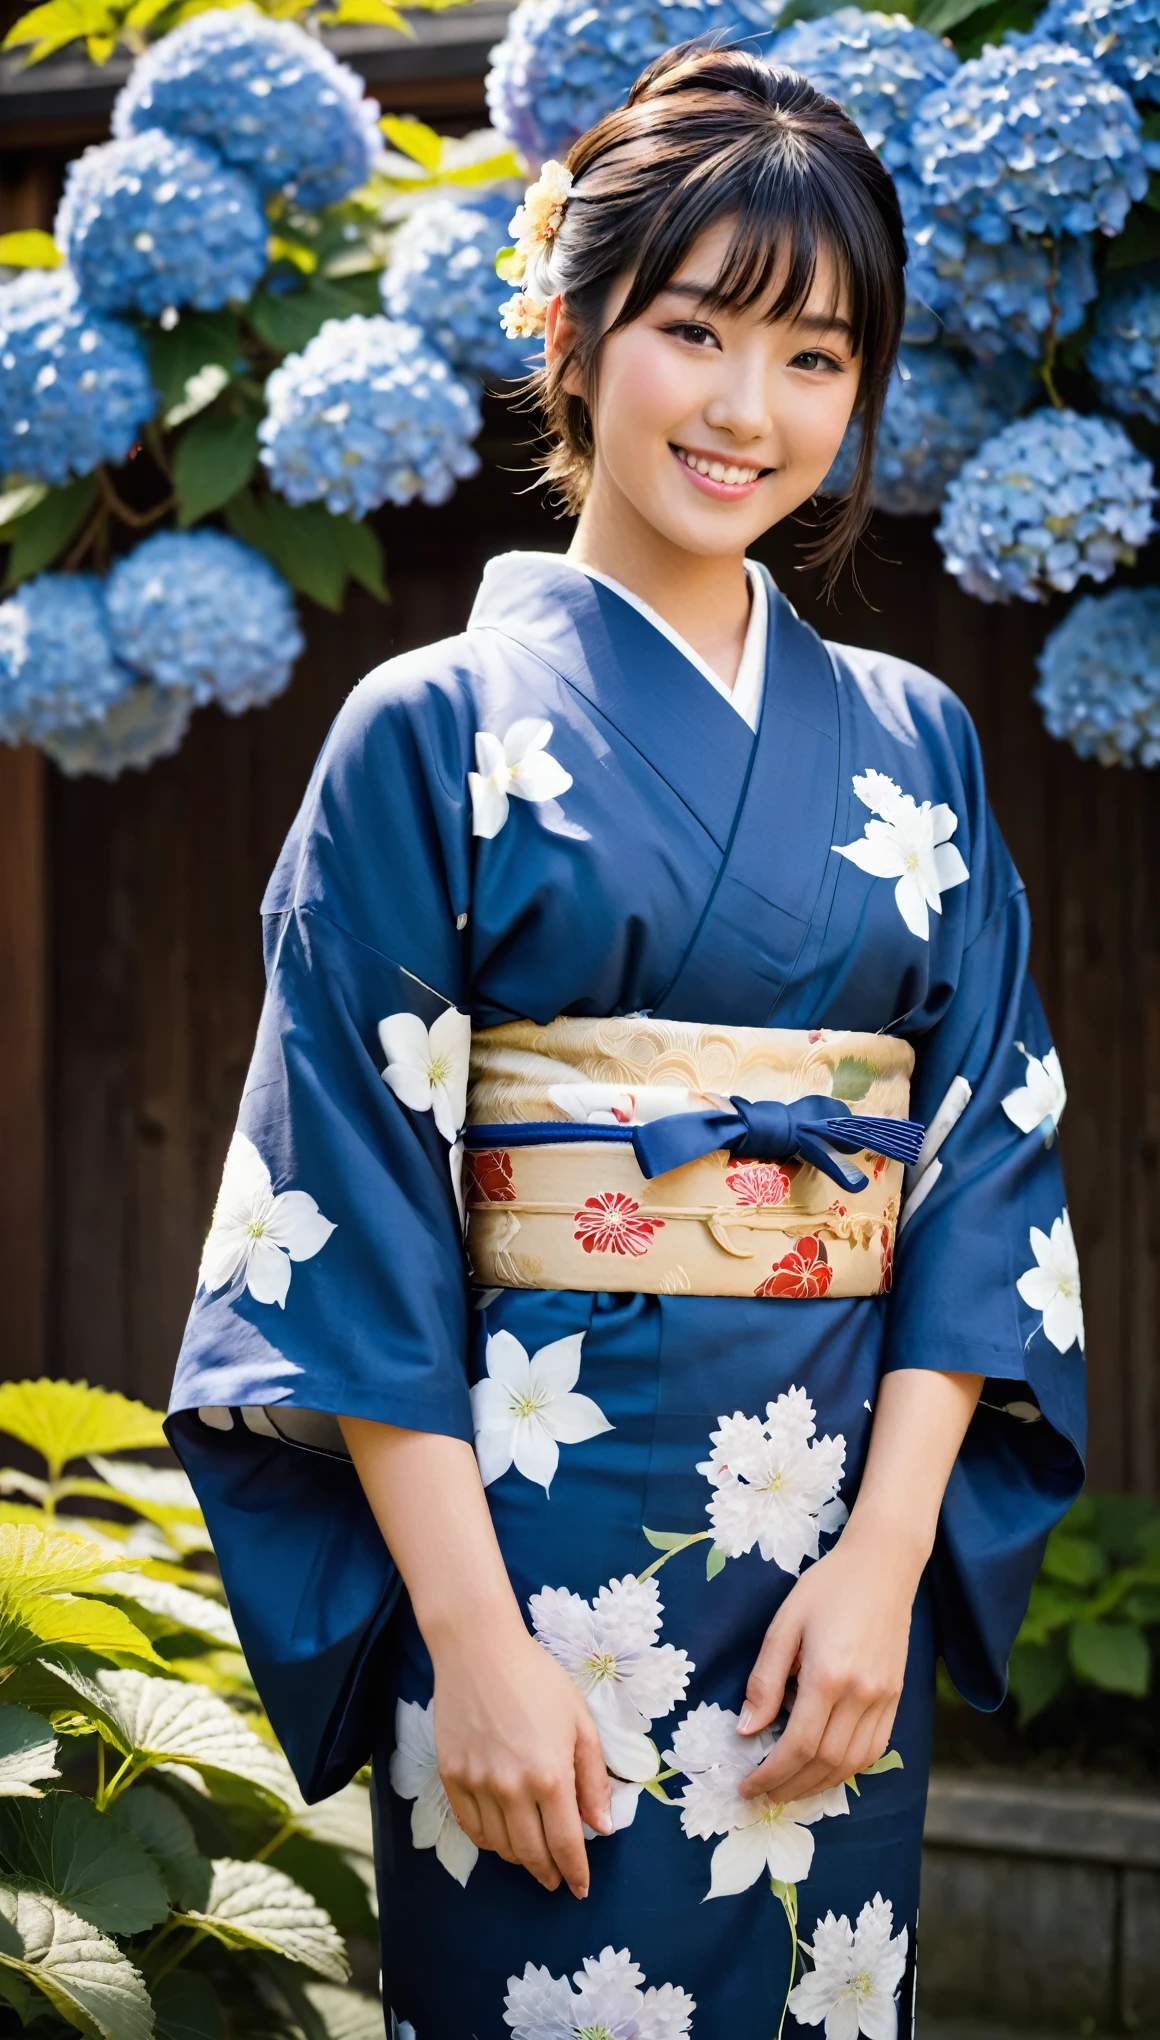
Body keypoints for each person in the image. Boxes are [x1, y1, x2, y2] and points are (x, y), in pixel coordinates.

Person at [169, 45, 1086, 2039]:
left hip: (825, 1581)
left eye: (818, 359)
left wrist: (882, 1568)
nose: (751, 410)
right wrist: (473, 1644)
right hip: (528, 1555)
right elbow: (343, 1210)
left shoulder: (914, 742)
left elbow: (987, 1159)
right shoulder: (427, 729)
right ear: (572, 333)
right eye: (696, 331)